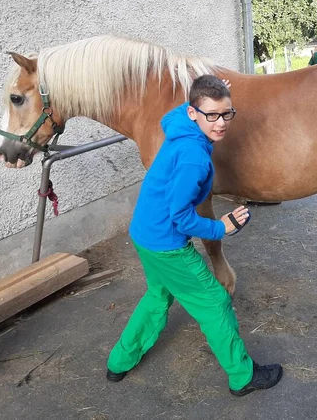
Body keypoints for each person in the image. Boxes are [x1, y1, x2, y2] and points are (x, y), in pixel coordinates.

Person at [106, 75, 283, 397]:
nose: (220, 123)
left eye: (226, 113)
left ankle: (119, 361)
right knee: (215, 302)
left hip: (144, 233)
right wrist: (222, 228)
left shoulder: (179, 125)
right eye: (211, 115)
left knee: (158, 296)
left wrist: (208, 94)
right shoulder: (194, 158)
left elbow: (168, 114)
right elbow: (182, 217)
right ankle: (242, 376)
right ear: (193, 113)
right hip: (166, 244)